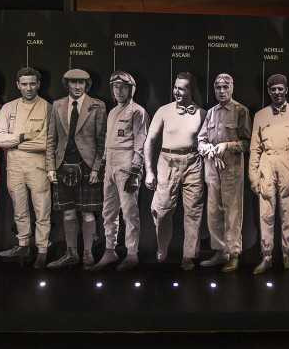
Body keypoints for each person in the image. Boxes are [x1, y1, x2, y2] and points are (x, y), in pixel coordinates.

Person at [144, 72, 207, 271]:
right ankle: (162, 248)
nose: (177, 92)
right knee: (162, 210)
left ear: (191, 90)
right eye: (175, 87)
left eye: (182, 88)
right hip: (167, 162)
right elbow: (150, 141)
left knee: (193, 212)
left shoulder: (202, 114)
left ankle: (188, 255)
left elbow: (207, 142)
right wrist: (149, 171)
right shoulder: (164, 111)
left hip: (193, 162)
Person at [45, 69, 107, 269]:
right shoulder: (57, 105)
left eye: (81, 83)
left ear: (86, 85)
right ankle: (71, 253)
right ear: (67, 84)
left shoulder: (97, 105)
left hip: (87, 166)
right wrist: (51, 167)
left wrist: (96, 168)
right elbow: (51, 139)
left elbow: (102, 141)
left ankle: (88, 253)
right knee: (68, 214)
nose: (78, 86)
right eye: (74, 82)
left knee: (88, 214)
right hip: (63, 165)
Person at [0, 67, 52, 269]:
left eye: (32, 83)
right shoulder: (8, 108)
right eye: (25, 84)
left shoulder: (47, 108)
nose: (29, 88)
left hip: (38, 165)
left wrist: (14, 143)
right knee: (19, 209)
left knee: (42, 209)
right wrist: (22, 137)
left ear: (39, 84)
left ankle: (42, 250)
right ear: (18, 85)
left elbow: (46, 143)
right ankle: (23, 245)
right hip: (14, 165)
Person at [91, 71, 149, 271]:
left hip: (127, 164)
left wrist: (135, 171)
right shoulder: (113, 111)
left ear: (131, 89)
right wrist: (102, 164)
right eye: (116, 87)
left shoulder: (138, 111)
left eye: (123, 87)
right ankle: (110, 250)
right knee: (108, 211)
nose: (119, 91)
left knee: (129, 212)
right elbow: (109, 141)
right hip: (110, 165)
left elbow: (141, 143)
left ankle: (132, 254)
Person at [198, 73, 252, 273]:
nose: (221, 91)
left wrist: (227, 146)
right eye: (218, 87)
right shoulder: (211, 113)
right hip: (212, 169)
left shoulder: (241, 111)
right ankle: (220, 252)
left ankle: (234, 254)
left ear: (232, 88)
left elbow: (247, 143)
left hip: (232, 169)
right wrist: (208, 149)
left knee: (232, 213)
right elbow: (201, 140)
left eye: (225, 87)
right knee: (214, 213)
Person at [249, 74, 289, 274]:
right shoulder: (260, 115)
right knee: (266, 213)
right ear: (269, 91)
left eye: (280, 89)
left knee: (288, 212)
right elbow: (255, 148)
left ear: (286, 90)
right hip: (267, 162)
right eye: (273, 89)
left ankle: (287, 254)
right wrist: (253, 176)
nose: (277, 92)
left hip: (287, 164)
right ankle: (267, 256)